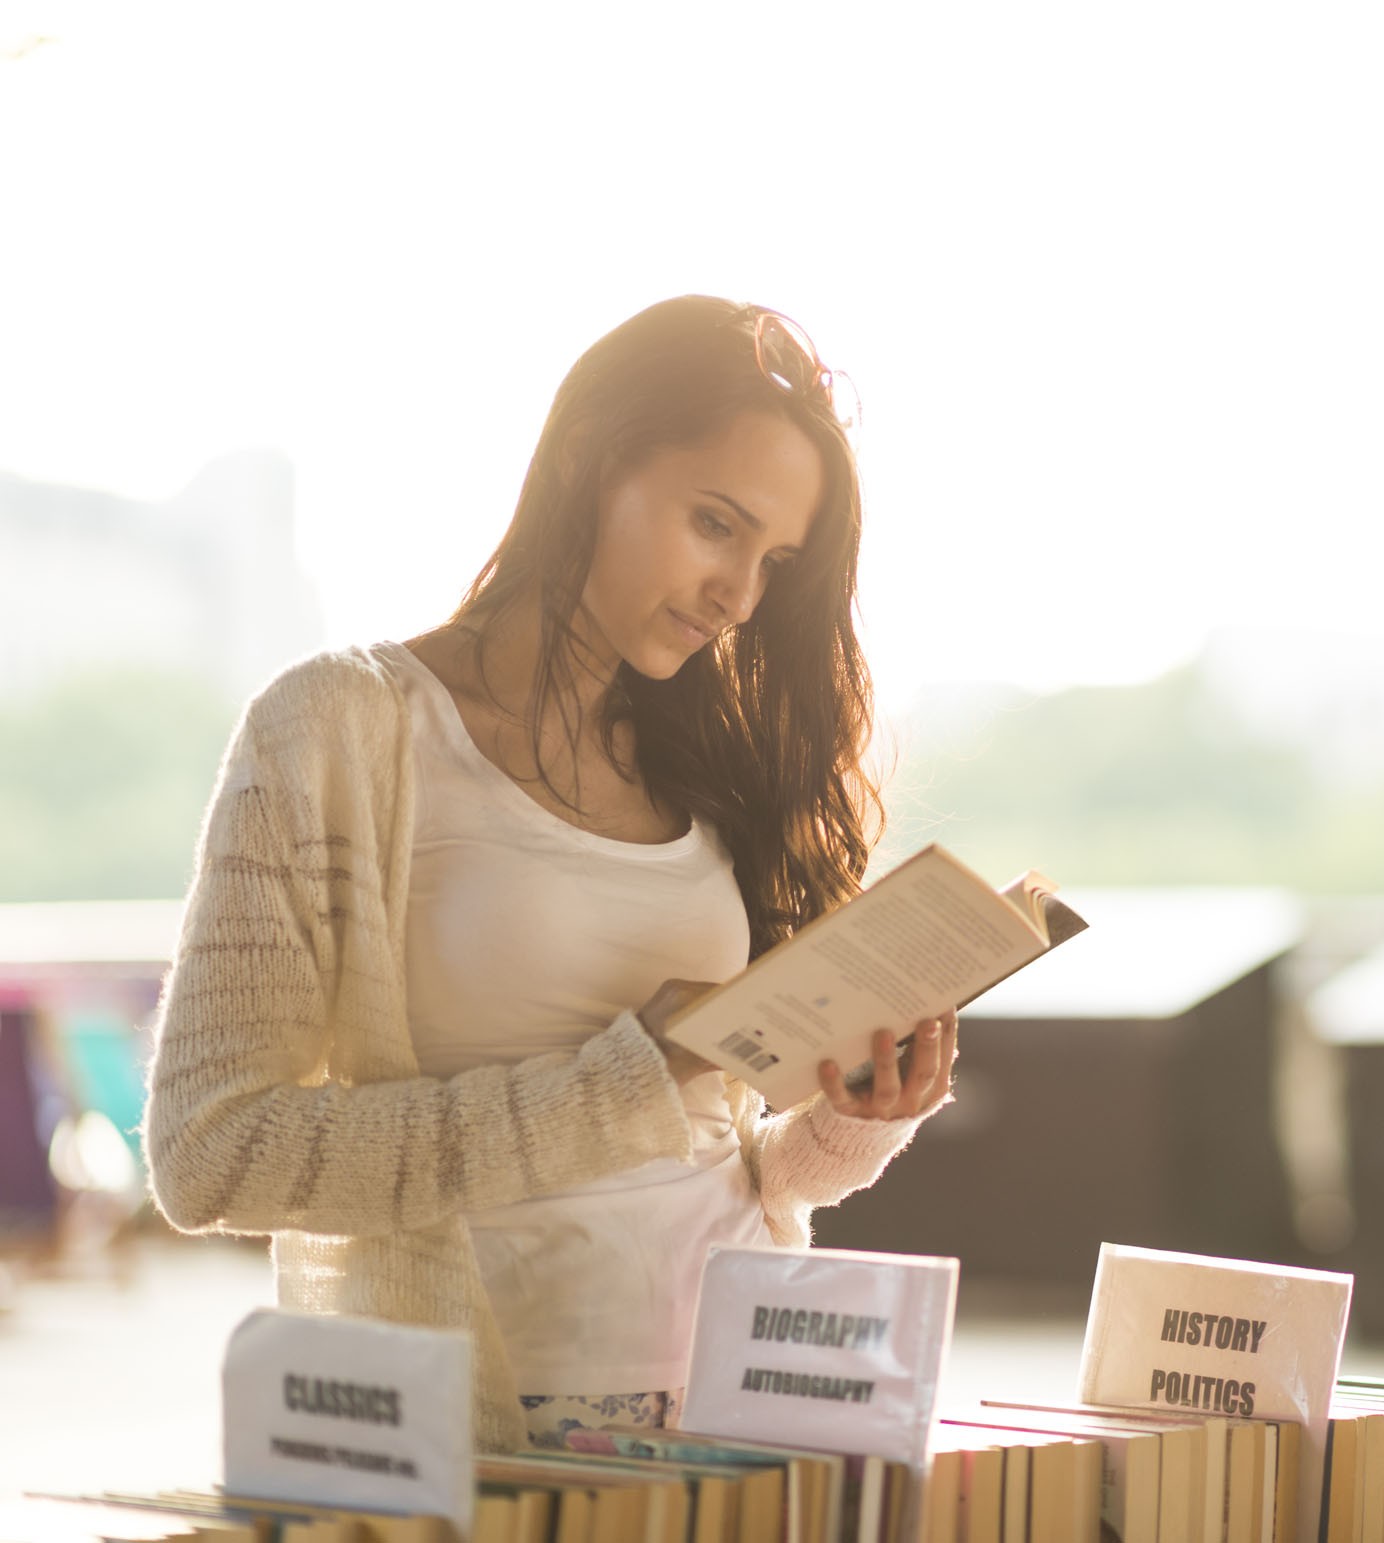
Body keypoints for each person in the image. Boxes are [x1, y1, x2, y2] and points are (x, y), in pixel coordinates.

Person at [144, 297, 957, 1453]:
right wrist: (628, 1078)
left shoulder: (701, 762)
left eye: (772, 562)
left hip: (750, 1408)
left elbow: (715, 1156)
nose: (738, 596)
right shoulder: (336, 727)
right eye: (714, 524)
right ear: (587, 456)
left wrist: (851, 1124)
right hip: (493, 1431)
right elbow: (209, 1155)